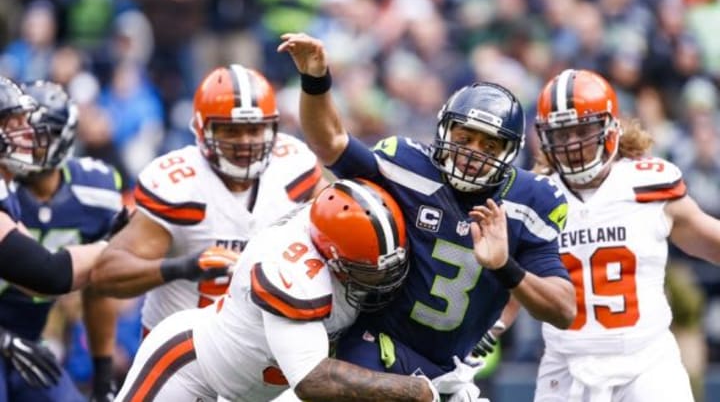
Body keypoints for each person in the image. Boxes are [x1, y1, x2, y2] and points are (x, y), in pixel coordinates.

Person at [277, 32, 576, 394]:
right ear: (444, 131)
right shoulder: (407, 166)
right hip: (381, 347)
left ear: (509, 153)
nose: (472, 152)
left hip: (455, 370)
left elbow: (563, 309)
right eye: (464, 138)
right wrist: (315, 79)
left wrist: (504, 267)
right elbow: (330, 142)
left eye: (488, 144)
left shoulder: (530, 201)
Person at [115, 179, 450, 402]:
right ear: (331, 257)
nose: (383, 280)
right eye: (368, 271)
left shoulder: (350, 242)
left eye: (390, 267)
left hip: (265, 391)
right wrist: (413, 390)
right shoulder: (289, 268)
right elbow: (312, 380)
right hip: (193, 369)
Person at [91, 64, 328, 335]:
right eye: (231, 131)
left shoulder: (294, 167)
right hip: (180, 351)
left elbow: (338, 230)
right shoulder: (180, 185)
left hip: (264, 348)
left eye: (254, 129)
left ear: (273, 128)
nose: (245, 142)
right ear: (203, 130)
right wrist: (182, 267)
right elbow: (106, 275)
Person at [532, 68, 720, 401]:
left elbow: (711, 240)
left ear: (610, 128)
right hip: (565, 366)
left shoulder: (646, 185)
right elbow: (513, 279)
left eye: (582, 129)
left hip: (644, 362)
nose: (572, 144)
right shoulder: (535, 197)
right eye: (561, 134)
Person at [3, 80, 121, 402]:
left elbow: (93, 288)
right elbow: (48, 273)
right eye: (14, 127)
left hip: (29, 339)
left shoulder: (93, 192)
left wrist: (103, 378)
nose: (29, 140)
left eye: (31, 129)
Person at [0, 75, 107, 294]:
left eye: (26, 120)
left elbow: (34, 281)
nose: (29, 131)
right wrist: (112, 245)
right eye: (16, 122)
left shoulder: (6, 186)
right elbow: (49, 275)